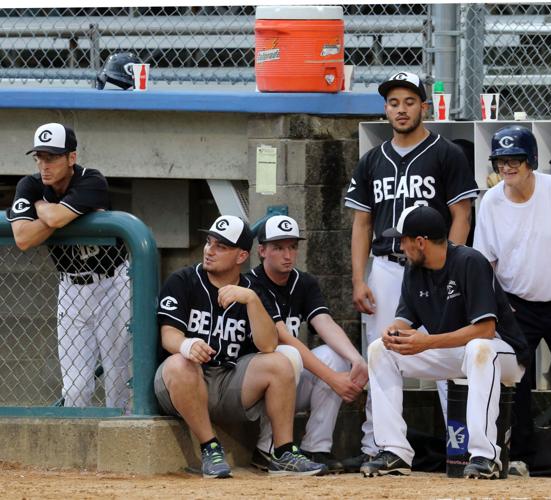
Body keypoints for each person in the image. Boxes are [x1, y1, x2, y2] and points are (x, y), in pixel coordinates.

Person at [344, 71, 479, 469]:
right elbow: (362, 223)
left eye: (408, 102)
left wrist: (451, 263)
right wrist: (358, 278)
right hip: (386, 268)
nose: (400, 110)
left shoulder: (447, 153)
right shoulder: (372, 160)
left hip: (435, 267)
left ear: (425, 106)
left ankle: (464, 445)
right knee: (381, 353)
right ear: (385, 109)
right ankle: (381, 446)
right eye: (393, 103)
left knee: (447, 355)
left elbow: (462, 214)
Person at [360, 205, 529, 479]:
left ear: (420, 242)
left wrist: (426, 342)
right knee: (380, 349)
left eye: (402, 240)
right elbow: (405, 320)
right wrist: (394, 332)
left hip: (503, 354)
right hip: (453, 352)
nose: (399, 246)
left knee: (479, 349)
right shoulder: (414, 269)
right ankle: (395, 451)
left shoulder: (469, 261)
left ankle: (485, 456)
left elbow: (485, 329)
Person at [154, 215, 326, 478]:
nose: (209, 251)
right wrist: (187, 345)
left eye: (221, 247)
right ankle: (210, 448)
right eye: (209, 242)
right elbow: (169, 335)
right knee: (180, 363)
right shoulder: (183, 280)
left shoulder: (254, 289)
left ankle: (282, 453)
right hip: (184, 382)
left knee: (280, 362)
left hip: (228, 382)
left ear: (241, 256)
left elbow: (269, 345)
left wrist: (252, 301)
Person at [472, 125, 551, 480]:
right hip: (517, 305)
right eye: (501, 161)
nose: (508, 168)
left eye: (515, 160)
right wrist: (497, 305)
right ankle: (519, 456)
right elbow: (486, 262)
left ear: (531, 162)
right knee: (517, 381)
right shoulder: (491, 202)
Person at [7, 123, 130, 409]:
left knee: (119, 381)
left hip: (113, 284)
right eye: (39, 157)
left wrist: (43, 209)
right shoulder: (30, 184)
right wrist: (53, 215)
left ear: (71, 158)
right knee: (75, 389)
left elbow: (57, 219)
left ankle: (121, 451)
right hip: (71, 288)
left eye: (51, 157)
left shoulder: (92, 180)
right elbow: (23, 238)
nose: (43, 166)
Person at [249, 215, 368, 473]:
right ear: (262, 251)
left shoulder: (303, 282)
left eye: (292, 246)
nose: (287, 255)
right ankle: (266, 448)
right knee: (285, 354)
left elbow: (323, 321)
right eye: (278, 248)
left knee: (334, 356)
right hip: (251, 385)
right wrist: (334, 379)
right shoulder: (252, 283)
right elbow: (283, 336)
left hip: (286, 380)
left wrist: (356, 359)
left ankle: (316, 448)